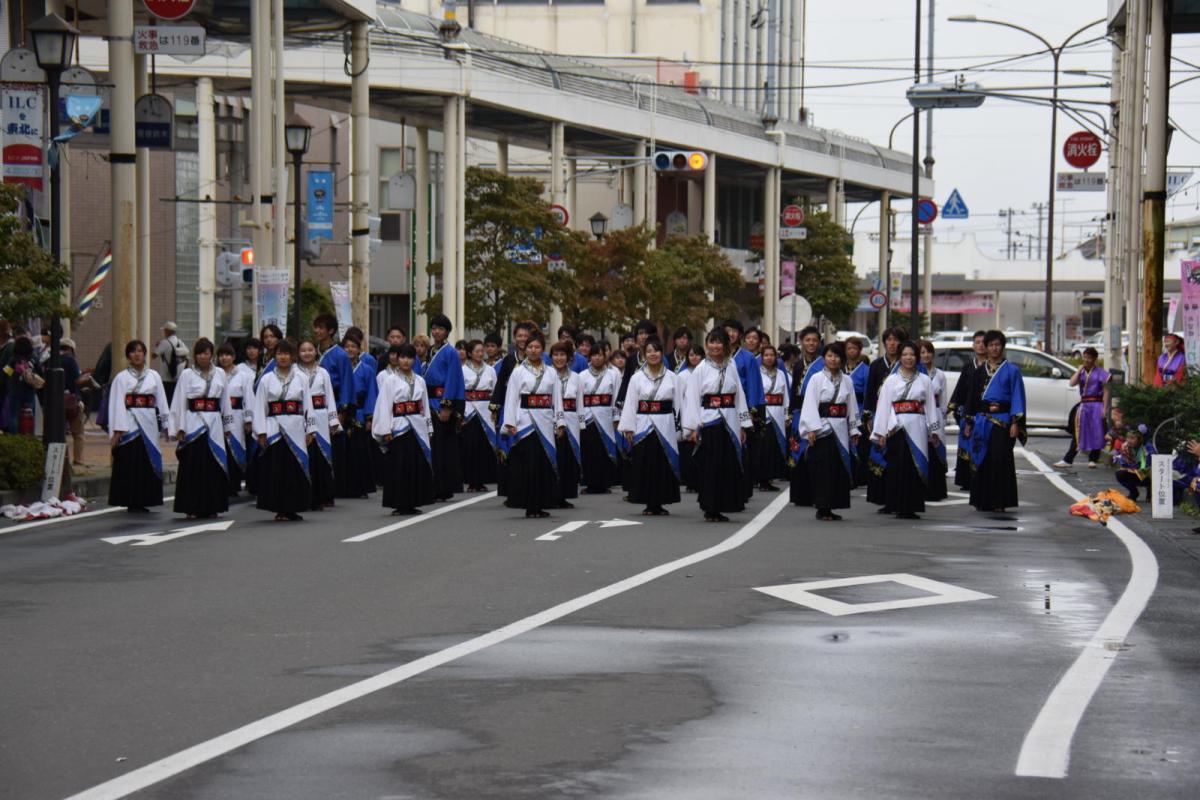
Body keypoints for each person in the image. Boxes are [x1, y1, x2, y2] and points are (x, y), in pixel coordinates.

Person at [682, 329, 754, 522]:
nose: (715, 346)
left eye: (719, 342)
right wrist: (693, 427)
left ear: (726, 345)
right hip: (709, 422)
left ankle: (725, 505)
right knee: (710, 466)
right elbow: (692, 398)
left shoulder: (731, 366)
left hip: (729, 421)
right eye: (711, 342)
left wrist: (742, 424)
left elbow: (739, 395)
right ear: (707, 345)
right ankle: (710, 508)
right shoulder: (701, 369)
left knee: (727, 465)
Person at [872, 342, 941, 520]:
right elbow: (884, 407)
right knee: (897, 466)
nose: (908, 358)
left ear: (916, 357)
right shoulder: (891, 380)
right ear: (900, 357)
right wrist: (880, 432)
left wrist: (934, 431)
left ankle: (912, 506)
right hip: (896, 427)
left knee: (914, 467)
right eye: (905, 355)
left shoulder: (924, 380)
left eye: (912, 354)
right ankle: (897, 505)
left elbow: (931, 406)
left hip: (918, 426)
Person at [501, 331, 564, 518]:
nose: (533, 350)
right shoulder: (518, 371)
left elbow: (557, 399)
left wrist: (559, 422)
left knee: (544, 464)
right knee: (527, 465)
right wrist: (510, 422)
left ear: (543, 350)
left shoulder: (551, 372)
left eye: (537, 347)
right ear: (524, 349)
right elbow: (511, 397)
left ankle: (542, 503)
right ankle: (528, 504)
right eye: (530, 347)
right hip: (525, 422)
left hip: (545, 421)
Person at [253, 339, 316, 522]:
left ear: (293, 356)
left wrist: (310, 429)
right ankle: (279, 508)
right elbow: (259, 407)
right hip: (274, 429)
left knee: (294, 470)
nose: (283, 357)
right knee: (276, 471)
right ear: (275, 355)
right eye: (279, 353)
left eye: (287, 353)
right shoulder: (266, 379)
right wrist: (261, 432)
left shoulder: (301, 378)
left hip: (296, 429)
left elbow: (308, 405)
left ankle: (293, 508)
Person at [963, 330, 1026, 513]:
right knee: (981, 458)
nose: (994, 348)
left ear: (1002, 347)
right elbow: (972, 398)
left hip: (1003, 422)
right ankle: (982, 500)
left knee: (1001, 460)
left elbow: (1017, 396)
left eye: (997, 344)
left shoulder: (1012, 370)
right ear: (986, 347)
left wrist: (1015, 422)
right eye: (990, 345)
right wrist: (968, 421)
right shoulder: (978, 372)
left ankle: (1000, 501)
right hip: (981, 421)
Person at [168, 338, 231, 519]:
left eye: (207, 352)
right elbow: (179, 401)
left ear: (212, 354)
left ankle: (212, 506)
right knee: (192, 467)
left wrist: (228, 426)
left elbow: (225, 401)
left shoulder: (220, 373)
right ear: (195, 355)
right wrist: (179, 427)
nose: (204, 356)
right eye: (200, 352)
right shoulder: (187, 374)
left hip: (214, 425)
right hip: (193, 424)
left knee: (213, 466)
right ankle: (191, 506)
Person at [617, 338, 680, 516]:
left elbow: (679, 404)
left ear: (662, 354)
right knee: (645, 463)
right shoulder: (636, 377)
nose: (653, 354)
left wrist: (681, 427)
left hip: (665, 424)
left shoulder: (672, 377)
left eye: (656, 351)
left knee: (663, 463)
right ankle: (647, 502)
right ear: (644, 355)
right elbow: (630, 403)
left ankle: (660, 502)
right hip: (643, 424)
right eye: (649, 351)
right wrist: (628, 427)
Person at [798, 342, 861, 520]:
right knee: (822, 470)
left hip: (841, 428)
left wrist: (854, 429)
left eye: (837, 356)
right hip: (823, 429)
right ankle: (822, 507)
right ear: (824, 358)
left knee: (838, 469)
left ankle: (833, 505)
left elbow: (852, 406)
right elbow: (810, 404)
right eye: (829, 356)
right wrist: (811, 428)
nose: (833, 360)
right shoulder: (816, 379)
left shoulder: (847, 380)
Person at [372, 343, 436, 515]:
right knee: (399, 467)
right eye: (402, 357)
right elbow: (384, 406)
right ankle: (399, 504)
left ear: (414, 359)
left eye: (409, 357)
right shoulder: (390, 381)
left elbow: (425, 406)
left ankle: (414, 502)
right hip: (399, 427)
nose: (405, 361)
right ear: (396, 359)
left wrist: (428, 427)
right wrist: (385, 430)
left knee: (415, 466)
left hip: (418, 426)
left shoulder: (420, 380)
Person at [108, 340, 169, 512]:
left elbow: (162, 401)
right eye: (133, 351)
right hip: (129, 424)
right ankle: (129, 499)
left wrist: (165, 425)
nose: (137, 354)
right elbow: (116, 404)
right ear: (128, 355)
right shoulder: (121, 378)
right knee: (129, 463)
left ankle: (146, 499)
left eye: (141, 351)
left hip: (149, 423)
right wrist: (118, 429)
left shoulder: (154, 376)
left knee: (146, 462)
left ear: (145, 354)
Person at [311, 314, 355, 500]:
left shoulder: (340, 355)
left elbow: (346, 383)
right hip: (312, 406)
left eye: (322, 327)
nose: (318, 331)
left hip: (334, 404)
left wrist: (342, 411)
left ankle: (333, 489)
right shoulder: (312, 352)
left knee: (334, 449)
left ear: (331, 330)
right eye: (316, 327)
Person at [424, 314, 467, 500]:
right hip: (428, 401)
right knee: (432, 446)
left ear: (447, 332)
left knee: (443, 447)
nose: (436, 331)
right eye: (434, 328)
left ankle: (444, 487)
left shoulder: (450, 353)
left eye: (440, 329)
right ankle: (432, 484)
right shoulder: (429, 351)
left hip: (441, 402)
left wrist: (447, 407)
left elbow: (453, 380)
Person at [491, 321, 536, 495]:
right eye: (519, 336)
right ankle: (509, 488)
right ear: (514, 338)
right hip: (510, 407)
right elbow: (501, 384)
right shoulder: (509, 360)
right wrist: (495, 408)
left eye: (526, 336)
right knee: (507, 445)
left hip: (529, 409)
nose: (523, 339)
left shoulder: (538, 359)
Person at [297, 338, 340, 510]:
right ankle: (306, 496)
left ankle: (324, 495)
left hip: (321, 416)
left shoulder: (323, 373)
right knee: (306, 455)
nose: (307, 353)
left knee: (323, 457)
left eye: (310, 350)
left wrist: (333, 419)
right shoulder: (294, 372)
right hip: (302, 418)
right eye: (303, 350)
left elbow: (329, 396)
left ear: (315, 352)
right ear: (298, 354)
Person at [864, 327, 905, 506]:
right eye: (888, 340)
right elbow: (870, 392)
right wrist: (868, 416)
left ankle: (897, 497)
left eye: (895, 340)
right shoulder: (877, 365)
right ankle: (882, 498)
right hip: (880, 414)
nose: (892, 343)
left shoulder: (907, 364)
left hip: (901, 416)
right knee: (879, 455)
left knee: (897, 457)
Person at [1055, 346, 1111, 469]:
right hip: (1084, 405)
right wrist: (1079, 370)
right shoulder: (1081, 372)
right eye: (1084, 357)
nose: (1086, 360)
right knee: (1078, 432)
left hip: (1097, 404)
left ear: (1094, 359)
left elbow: (1106, 391)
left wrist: (1105, 408)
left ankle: (1093, 459)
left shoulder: (1100, 373)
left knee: (1097, 431)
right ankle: (1068, 459)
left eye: (1089, 358)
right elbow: (1071, 383)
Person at [579, 343, 620, 494]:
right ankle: (590, 483)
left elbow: (616, 397)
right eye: (594, 355)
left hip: (605, 416)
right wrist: (581, 418)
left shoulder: (613, 374)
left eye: (600, 355)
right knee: (589, 451)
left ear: (605, 356)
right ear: (590, 357)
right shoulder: (582, 376)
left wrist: (616, 417)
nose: (597, 358)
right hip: (588, 417)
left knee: (604, 450)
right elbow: (579, 400)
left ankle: (604, 483)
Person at [948, 331, 987, 490]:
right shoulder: (968, 366)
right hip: (967, 412)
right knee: (966, 445)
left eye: (983, 342)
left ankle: (980, 478)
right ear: (973, 345)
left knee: (981, 446)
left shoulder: (992, 367)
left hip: (984, 414)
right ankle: (966, 480)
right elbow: (960, 390)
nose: (980, 345)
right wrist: (956, 408)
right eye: (977, 342)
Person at [343, 331, 379, 497]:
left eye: (353, 347)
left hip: (359, 411)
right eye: (347, 346)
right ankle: (343, 486)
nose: (350, 349)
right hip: (341, 413)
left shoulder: (367, 369)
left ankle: (361, 487)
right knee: (343, 452)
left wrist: (369, 417)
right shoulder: (339, 367)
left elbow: (372, 393)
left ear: (359, 349)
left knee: (360, 451)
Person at [549, 341, 584, 507]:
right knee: (553, 457)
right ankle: (551, 494)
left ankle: (564, 495)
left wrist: (581, 424)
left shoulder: (577, 378)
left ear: (569, 357)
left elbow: (580, 404)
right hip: (550, 420)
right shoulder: (547, 375)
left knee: (567, 459)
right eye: (555, 355)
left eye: (562, 354)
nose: (559, 358)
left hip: (571, 420)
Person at [461, 339, 499, 492]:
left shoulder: (490, 370)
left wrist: (495, 410)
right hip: (469, 410)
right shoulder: (462, 369)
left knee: (484, 445)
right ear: (469, 353)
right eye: (476, 351)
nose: (480, 353)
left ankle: (482, 480)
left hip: (485, 410)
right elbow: (459, 391)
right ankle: (471, 481)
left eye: (481, 351)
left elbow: (495, 392)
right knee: (470, 446)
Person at [753, 344, 791, 492]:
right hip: (764, 415)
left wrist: (787, 415)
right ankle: (761, 479)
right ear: (761, 357)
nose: (769, 358)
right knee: (764, 448)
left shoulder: (781, 374)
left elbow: (786, 395)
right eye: (766, 355)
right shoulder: (756, 373)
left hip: (778, 413)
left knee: (775, 447)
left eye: (772, 355)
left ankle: (769, 479)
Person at [217, 343, 250, 496]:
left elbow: (249, 398)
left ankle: (234, 484)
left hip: (237, 416)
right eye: (221, 355)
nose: (224, 358)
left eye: (228, 355)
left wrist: (248, 419)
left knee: (235, 448)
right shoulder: (215, 374)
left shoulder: (243, 376)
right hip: (218, 416)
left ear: (234, 357)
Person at [918, 340, 949, 501]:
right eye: (922, 352)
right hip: (920, 414)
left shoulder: (940, 375)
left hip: (935, 413)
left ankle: (936, 490)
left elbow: (943, 400)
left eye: (928, 351)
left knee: (936, 451)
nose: (926, 355)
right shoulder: (917, 375)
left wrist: (942, 418)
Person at [674, 343, 705, 492]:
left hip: (705, 411)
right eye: (691, 355)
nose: (694, 357)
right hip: (687, 414)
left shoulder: (706, 372)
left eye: (697, 354)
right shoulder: (682, 375)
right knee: (688, 450)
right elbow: (678, 399)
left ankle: (701, 480)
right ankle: (690, 481)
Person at [238, 339, 264, 495]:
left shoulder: (265, 367)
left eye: (255, 348)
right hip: (245, 412)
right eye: (248, 348)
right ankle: (248, 479)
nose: (251, 351)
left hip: (262, 410)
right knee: (248, 447)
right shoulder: (240, 369)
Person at [845, 336, 871, 487]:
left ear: (859, 350)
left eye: (854, 348)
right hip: (842, 411)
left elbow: (868, 393)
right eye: (849, 348)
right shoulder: (840, 368)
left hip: (859, 409)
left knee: (859, 445)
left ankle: (859, 476)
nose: (851, 351)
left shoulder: (866, 370)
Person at [59, 337, 86, 465]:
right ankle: (78, 460)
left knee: (59, 433)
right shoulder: (71, 360)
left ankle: (61, 460)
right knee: (78, 433)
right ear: (70, 349)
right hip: (72, 401)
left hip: (55, 401)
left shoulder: (50, 360)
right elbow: (78, 380)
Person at [152, 322, 190, 402]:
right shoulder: (180, 342)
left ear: (167, 331)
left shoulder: (164, 342)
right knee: (175, 399)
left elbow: (153, 355)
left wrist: (157, 346)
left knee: (166, 399)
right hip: (178, 376)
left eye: (165, 330)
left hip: (166, 377)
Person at [1115, 427, 1155, 501]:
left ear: (1140, 439)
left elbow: (1151, 463)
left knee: (1151, 472)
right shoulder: (1126, 447)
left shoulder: (1147, 447)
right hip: (1134, 472)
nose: (1129, 441)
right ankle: (1134, 492)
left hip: (1147, 474)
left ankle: (1151, 491)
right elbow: (1123, 463)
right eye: (1128, 438)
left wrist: (1139, 465)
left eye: (1132, 438)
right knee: (1120, 474)